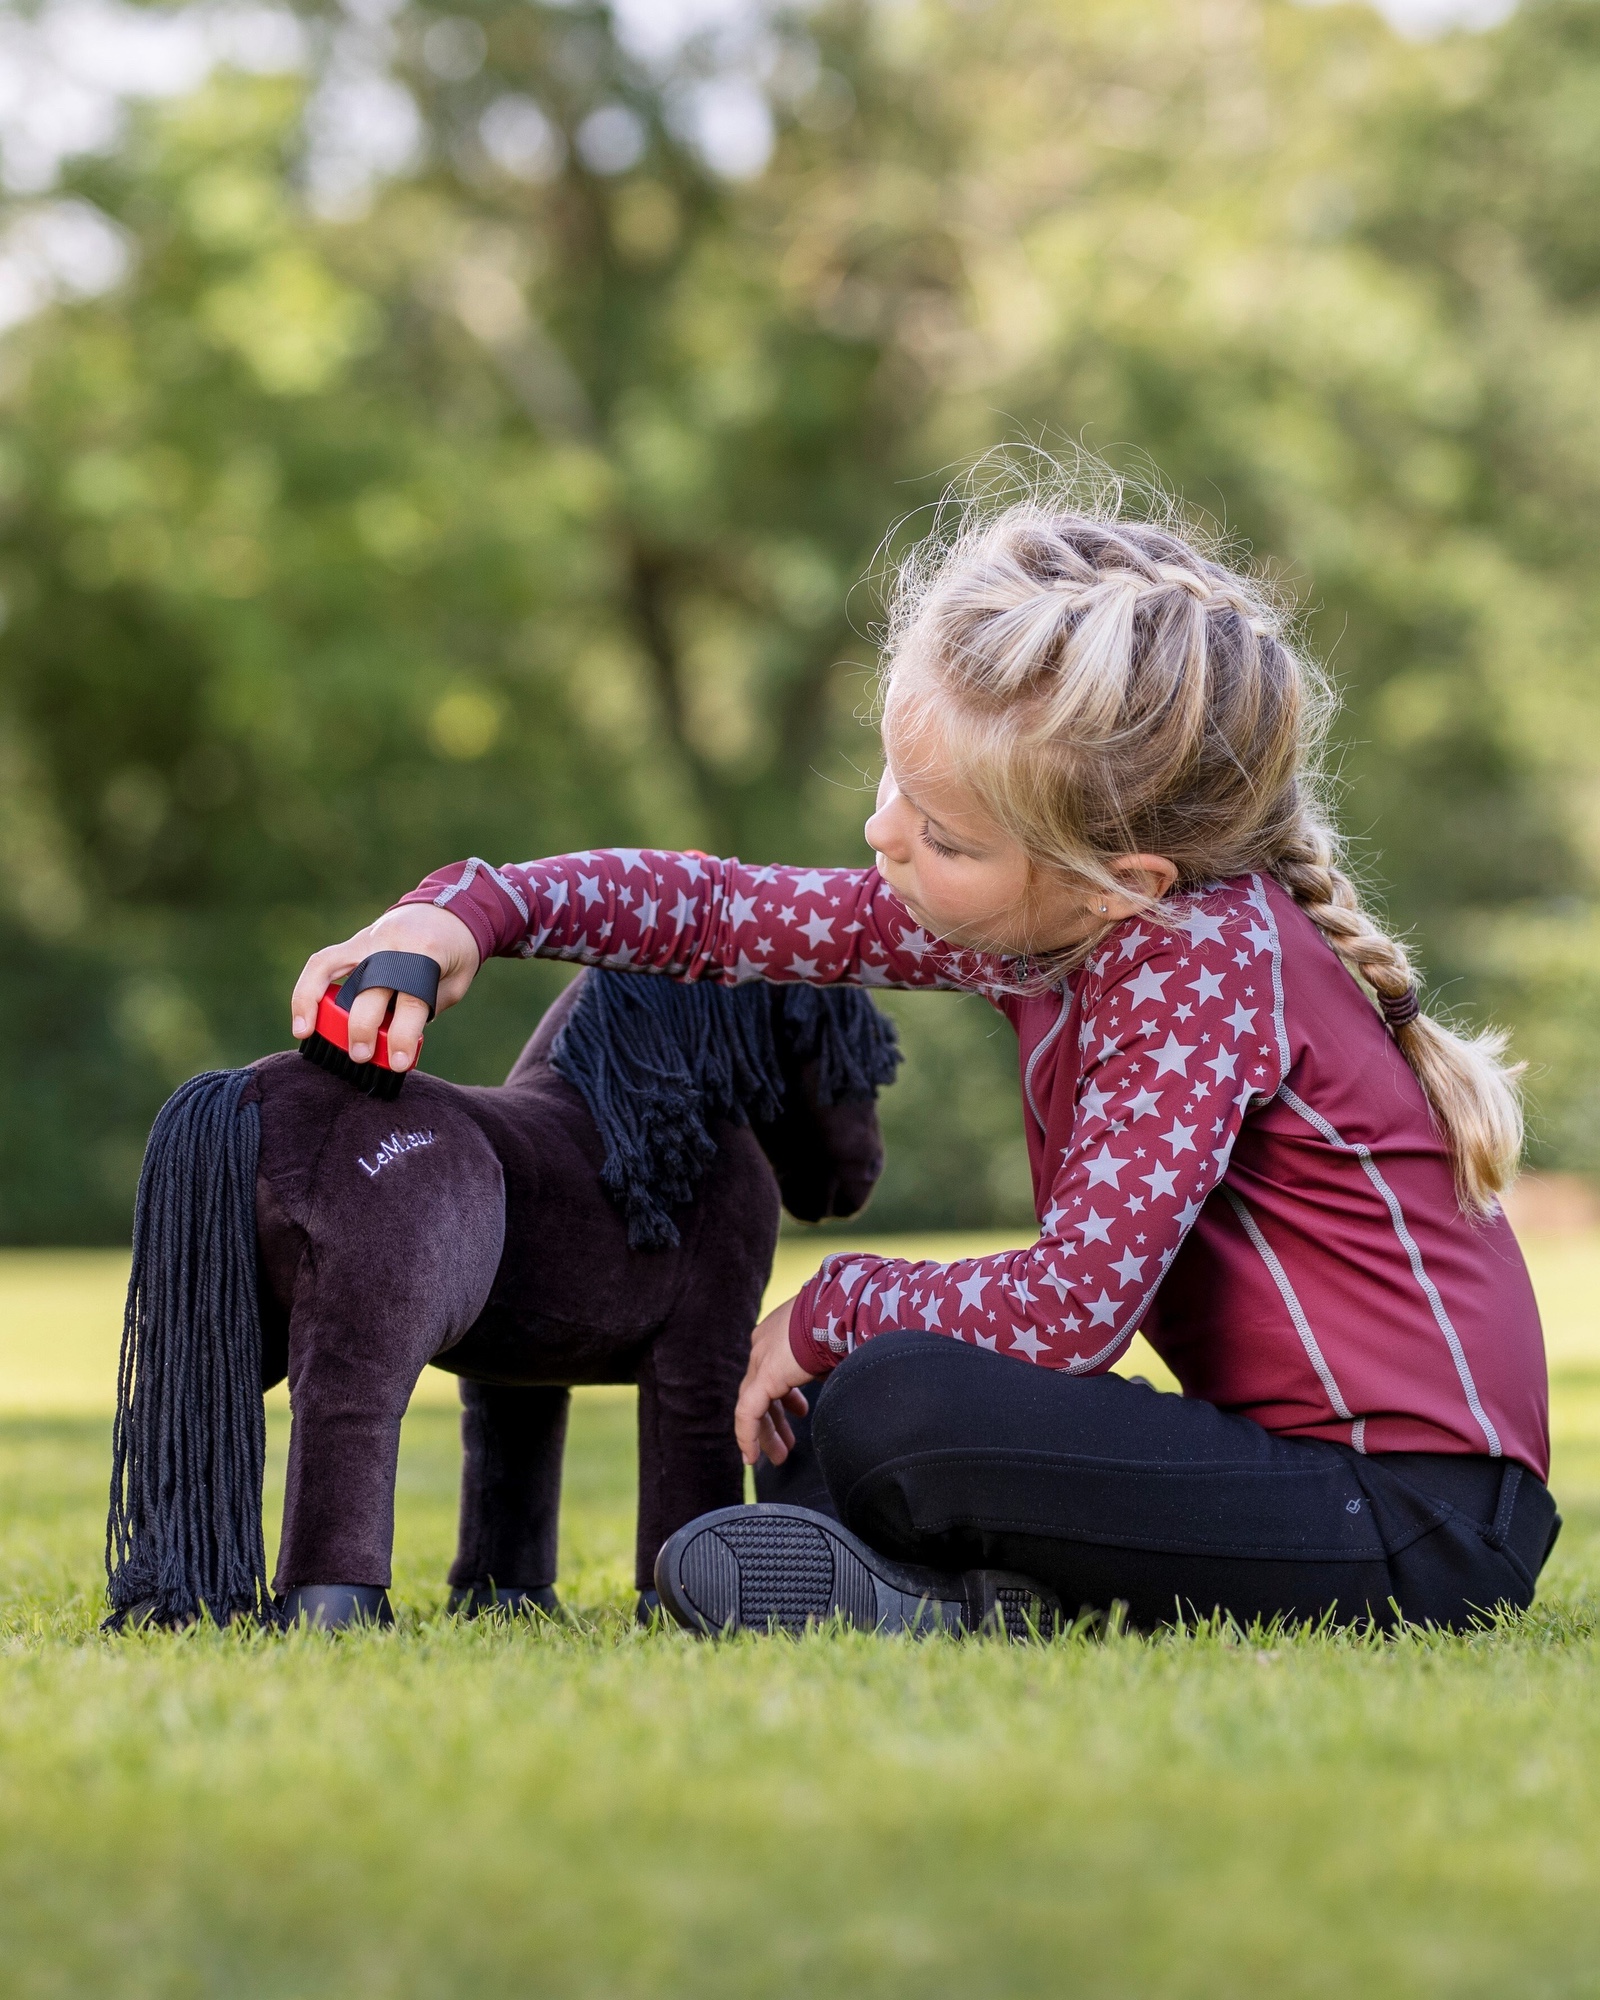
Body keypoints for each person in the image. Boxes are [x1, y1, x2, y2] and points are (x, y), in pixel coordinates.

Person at [291, 490, 1558, 1635]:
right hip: (1286, 1478)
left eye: (941, 833)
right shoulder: (1058, 921)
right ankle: (963, 1603)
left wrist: (829, 1303)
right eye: (896, 781)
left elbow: (1071, 1312)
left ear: (1122, 882)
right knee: (812, 1433)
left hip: (1417, 1525)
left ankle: (956, 1594)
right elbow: (727, 916)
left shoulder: (1197, 963)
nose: (881, 833)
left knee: (888, 1395)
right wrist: (469, 910)